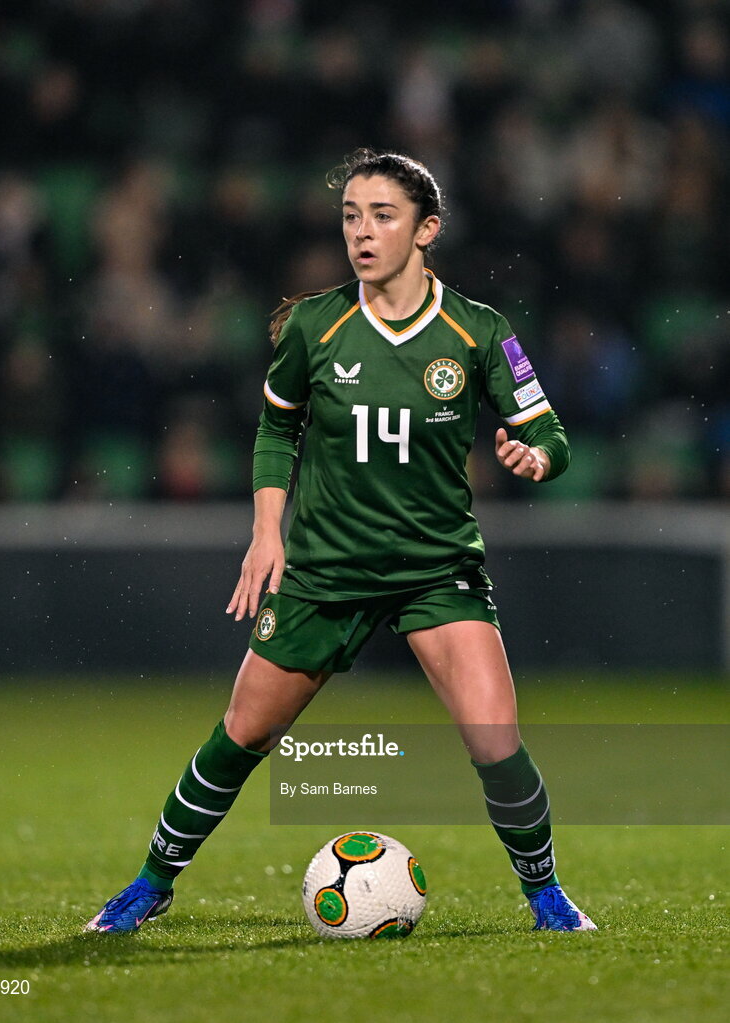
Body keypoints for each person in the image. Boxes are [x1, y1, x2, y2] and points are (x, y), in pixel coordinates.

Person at [86, 149, 596, 934]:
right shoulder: (316, 326)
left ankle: (548, 896)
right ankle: (151, 884)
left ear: (426, 230)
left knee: (497, 740)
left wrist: (537, 455)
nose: (362, 231)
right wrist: (267, 534)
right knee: (243, 733)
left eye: (383, 215)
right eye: (352, 215)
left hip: (436, 568)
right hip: (326, 570)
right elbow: (275, 428)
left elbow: (550, 430)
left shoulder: (480, 331)